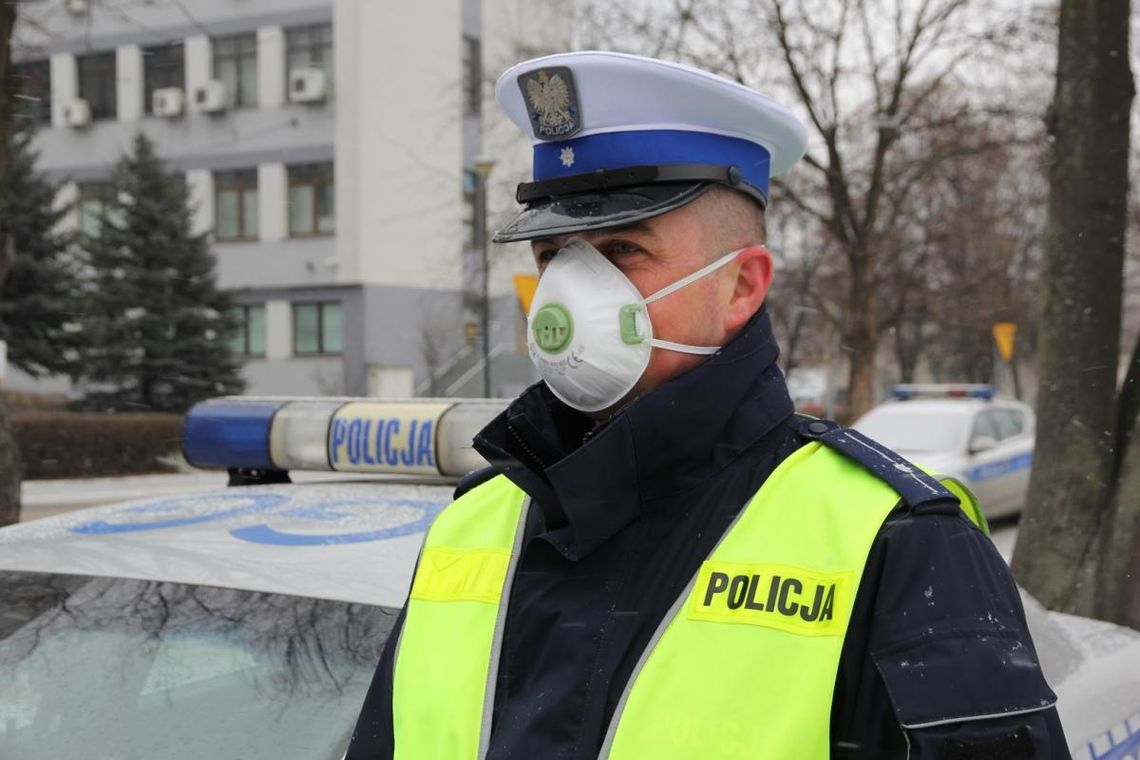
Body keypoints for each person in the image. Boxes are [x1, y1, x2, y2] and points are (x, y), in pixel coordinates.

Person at [346, 51, 1069, 759]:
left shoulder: (896, 545)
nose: (568, 291)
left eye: (622, 248)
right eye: (552, 255)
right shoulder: (470, 527)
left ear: (743, 287)